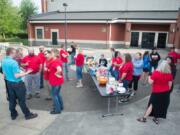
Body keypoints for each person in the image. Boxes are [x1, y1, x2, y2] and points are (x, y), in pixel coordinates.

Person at [1, 47, 38, 120]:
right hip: (17, 84)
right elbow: (16, 75)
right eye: (15, 52)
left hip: (9, 83)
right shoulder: (13, 62)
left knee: (12, 99)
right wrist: (27, 72)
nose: (16, 54)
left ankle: (13, 114)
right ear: (11, 53)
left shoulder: (4, 60)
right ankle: (27, 115)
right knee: (22, 100)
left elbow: (4, 74)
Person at [48, 49, 64, 114]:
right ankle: (61, 106)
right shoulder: (57, 60)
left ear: (54, 54)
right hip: (58, 81)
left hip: (55, 82)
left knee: (54, 95)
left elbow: (59, 69)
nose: (50, 54)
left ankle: (57, 110)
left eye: (51, 53)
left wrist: (56, 73)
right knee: (57, 94)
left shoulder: (55, 62)